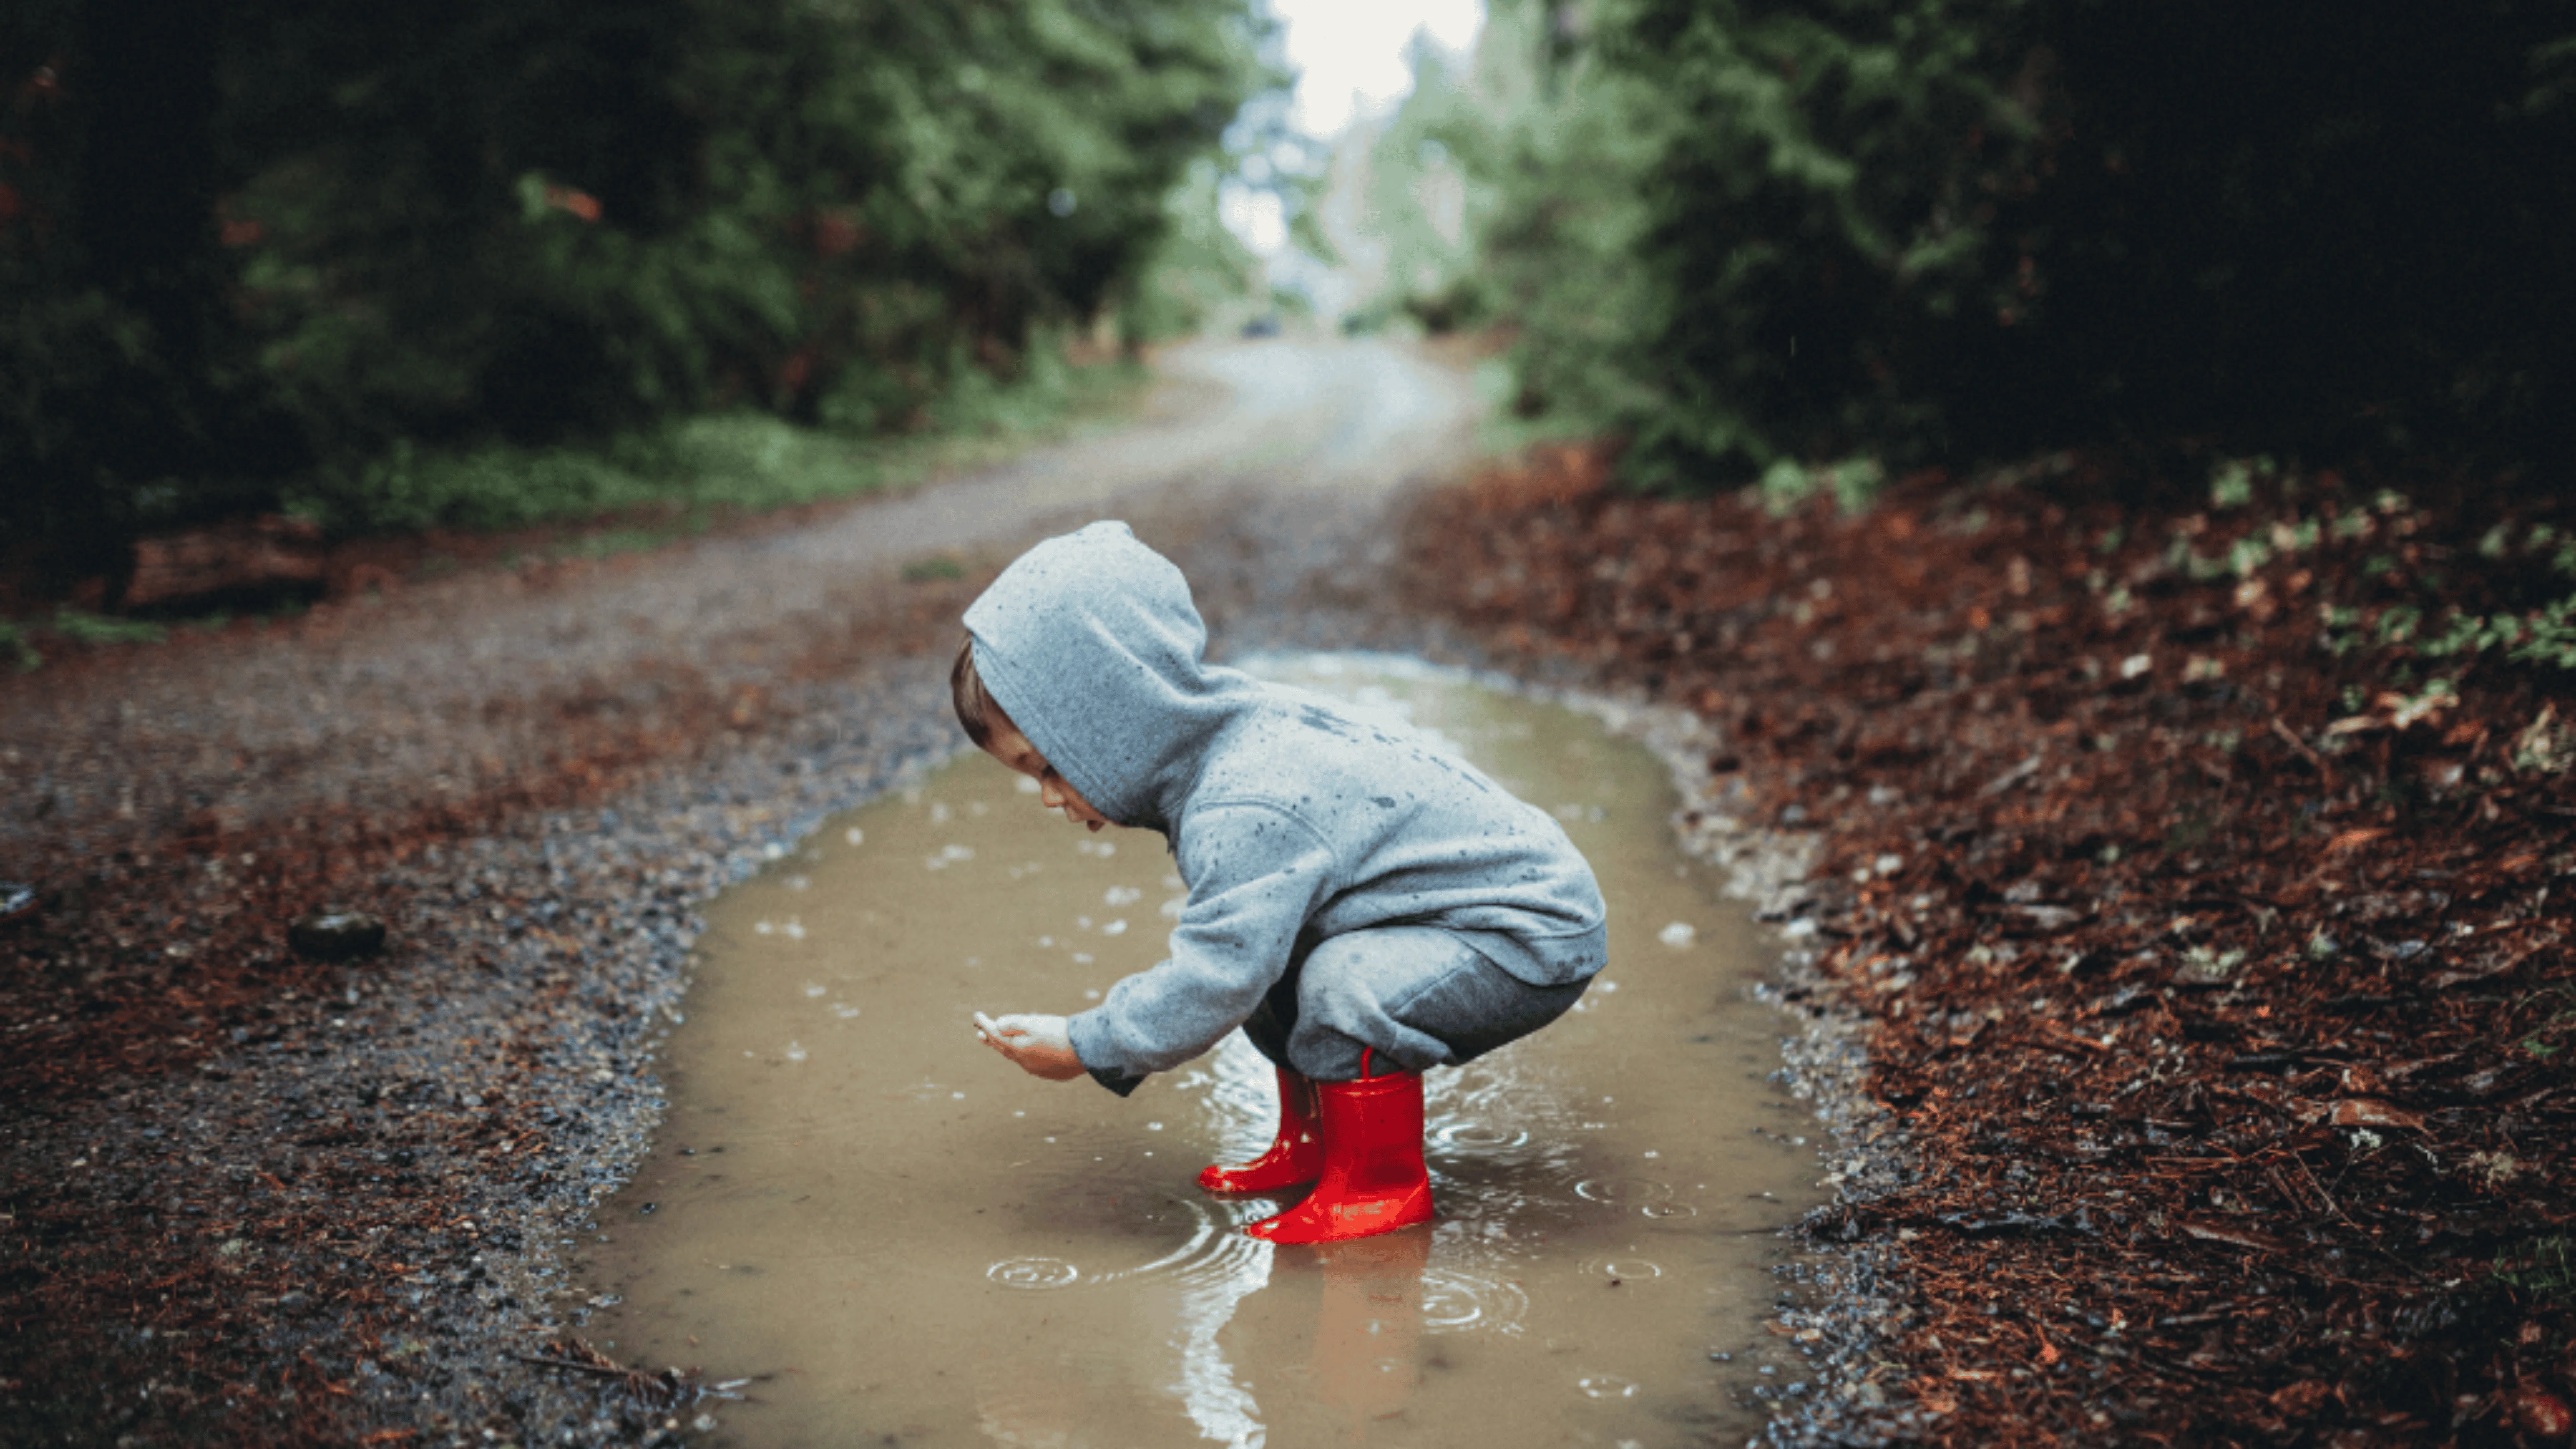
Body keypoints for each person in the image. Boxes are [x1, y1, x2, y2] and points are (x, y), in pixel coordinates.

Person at [959, 521, 1607, 1244]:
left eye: (1049, 766)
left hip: (1528, 930)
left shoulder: (1243, 802)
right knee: (1280, 951)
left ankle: (1377, 1187)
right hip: (1455, 915)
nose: (1050, 797)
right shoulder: (1214, 742)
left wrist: (1087, 1043)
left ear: (1115, 719)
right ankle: (1314, 1147)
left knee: (1337, 980)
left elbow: (1215, 978)